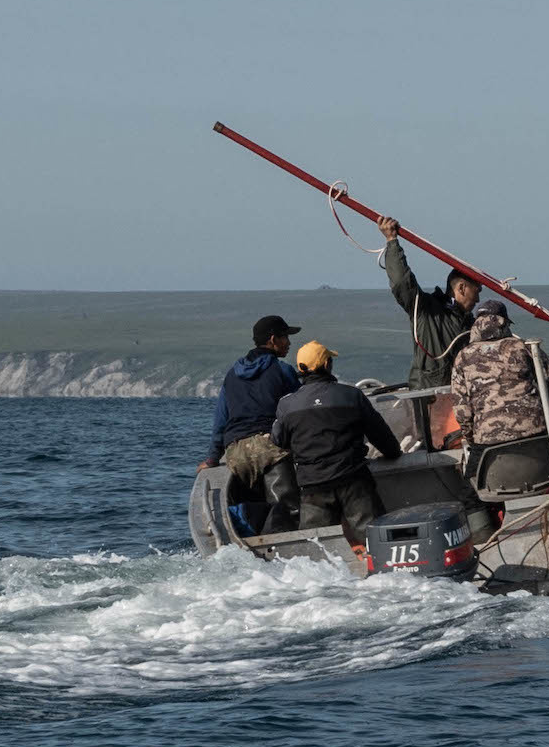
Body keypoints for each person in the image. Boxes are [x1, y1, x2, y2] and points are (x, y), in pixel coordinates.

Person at [271, 340, 402, 547]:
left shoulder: (286, 405)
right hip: (353, 480)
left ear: (301, 369)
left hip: (312, 486)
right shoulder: (351, 396)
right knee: (377, 543)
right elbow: (380, 435)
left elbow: (278, 441)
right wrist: (393, 453)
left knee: (316, 550)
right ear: (326, 365)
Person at [200, 316, 302, 517]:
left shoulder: (232, 374)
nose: (289, 343)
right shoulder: (283, 370)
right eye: (285, 337)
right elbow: (301, 411)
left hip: (236, 453)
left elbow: (221, 419)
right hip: (270, 449)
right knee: (288, 513)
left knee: (252, 512)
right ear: (273, 339)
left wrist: (212, 458)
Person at [449, 299, 549, 450]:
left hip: (487, 444)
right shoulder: (524, 348)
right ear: (504, 323)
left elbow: (462, 412)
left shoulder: (462, 358)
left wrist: (473, 439)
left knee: (471, 474)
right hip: (536, 435)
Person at [377, 215, 478, 392]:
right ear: (462, 288)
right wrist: (392, 242)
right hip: (430, 401)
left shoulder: (471, 324)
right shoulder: (426, 310)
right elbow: (402, 283)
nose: (478, 300)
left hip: (460, 402)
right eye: (477, 292)